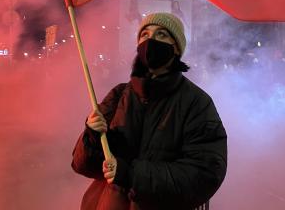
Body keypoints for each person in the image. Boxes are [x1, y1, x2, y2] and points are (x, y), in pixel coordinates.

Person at [72, 13, 227, 210]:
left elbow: (205, 174)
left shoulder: (196, 103)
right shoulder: (118, 95)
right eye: (144, 34)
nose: (150, 40)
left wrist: (132, 175)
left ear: (177, 48)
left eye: (161, 34)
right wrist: (93, 138)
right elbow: (82, 165)